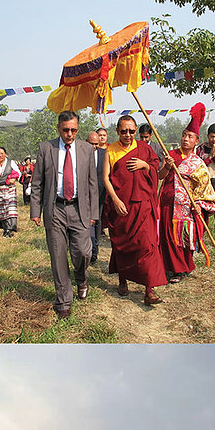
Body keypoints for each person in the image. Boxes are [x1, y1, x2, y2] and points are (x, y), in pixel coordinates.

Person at [30, 110, 99, 319]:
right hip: (56, 209)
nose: (70, 134)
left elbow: (93, 185)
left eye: (74, 130)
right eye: (66, 130)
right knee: (58, 257)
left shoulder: (87, 149)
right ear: (59, 128)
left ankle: (81, 277)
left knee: (83, 252)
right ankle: (63, 301)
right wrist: (35, 211)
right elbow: (37, 183)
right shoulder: (46, 148)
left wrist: (93, 212)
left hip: (80, 210)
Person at [103, 114, 169, 305]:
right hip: (122, 207)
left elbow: (158, 174)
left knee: (148, 245)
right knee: (123, 246)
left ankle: (149, 290)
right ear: (117, 131)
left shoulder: (144, 149)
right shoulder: (111, 150)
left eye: (132, 131)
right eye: (124, 131)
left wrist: (145, 165)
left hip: (143, 206)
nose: (129, 135)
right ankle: (123, 279)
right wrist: (115, 200)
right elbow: (106, 178)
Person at [0, 146, 22, 238]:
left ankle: (9, 229)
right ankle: (6, 229)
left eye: (2, 153)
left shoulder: (11, 163)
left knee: (10, 210)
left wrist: (14, 179)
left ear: (5, 154)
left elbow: (19, 173)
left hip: (9, 189)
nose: (0, 155)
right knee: (2, 211)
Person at [86, 131, 107, 266]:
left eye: (96, 144)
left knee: (97, 222)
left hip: (99, 195)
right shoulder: (80, 154)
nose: (94, 147)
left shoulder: (104, 155)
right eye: (91, 144)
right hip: (84, 195)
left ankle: (95, 250)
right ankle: (87, 249)